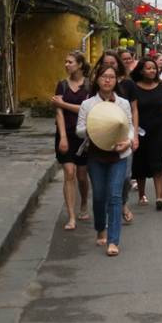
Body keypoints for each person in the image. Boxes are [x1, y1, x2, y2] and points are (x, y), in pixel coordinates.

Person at [76, 66, 137, 257]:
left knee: (115, 195)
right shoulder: (88, 104)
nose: (108, 80)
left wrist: (128, 141)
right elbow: (79, 130)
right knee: (99, 196)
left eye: (111, 77)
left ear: (116, 81)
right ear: (97, 79)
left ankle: (113, 240)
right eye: (104, 77)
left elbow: (130, 127)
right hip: (96, 155)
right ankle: (100, 227)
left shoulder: (123, 103)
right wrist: (93, 128)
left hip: (119, 155)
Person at [90, 50, 139, 224]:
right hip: (101, 140)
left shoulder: (128, 86)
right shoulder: (96, 90)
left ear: (118, 65)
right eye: (106, 63)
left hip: (123, 139)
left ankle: (122, 203)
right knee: (102, 188)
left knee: (125, 177)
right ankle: (105, 219)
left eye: (113, 63)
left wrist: (133, 137)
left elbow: (133, 111)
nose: (110, 66)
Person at [52, 50, 92, 231]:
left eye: (70, 62)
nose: (66, 65)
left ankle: (83, 202)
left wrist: (63, 104)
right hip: (66, 133)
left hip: (84, 135)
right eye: (65, 62)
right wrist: (62, 137)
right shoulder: (61, 85)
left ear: (80, 65)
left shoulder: (90, 86)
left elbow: (87, 110)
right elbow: (58, 112)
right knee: (69, 172)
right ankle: (71, 216)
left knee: (82, 175)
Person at [132, 58, 162, 210]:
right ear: (141, 70)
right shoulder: (134, 87)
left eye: (154, 68)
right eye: (148, 68)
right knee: (140, 163)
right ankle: (142, 195)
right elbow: (132, 109)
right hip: (140, 130)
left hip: (159, 130)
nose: (152, 71)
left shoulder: (161, 86)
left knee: (158, 163)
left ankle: (159, 197)